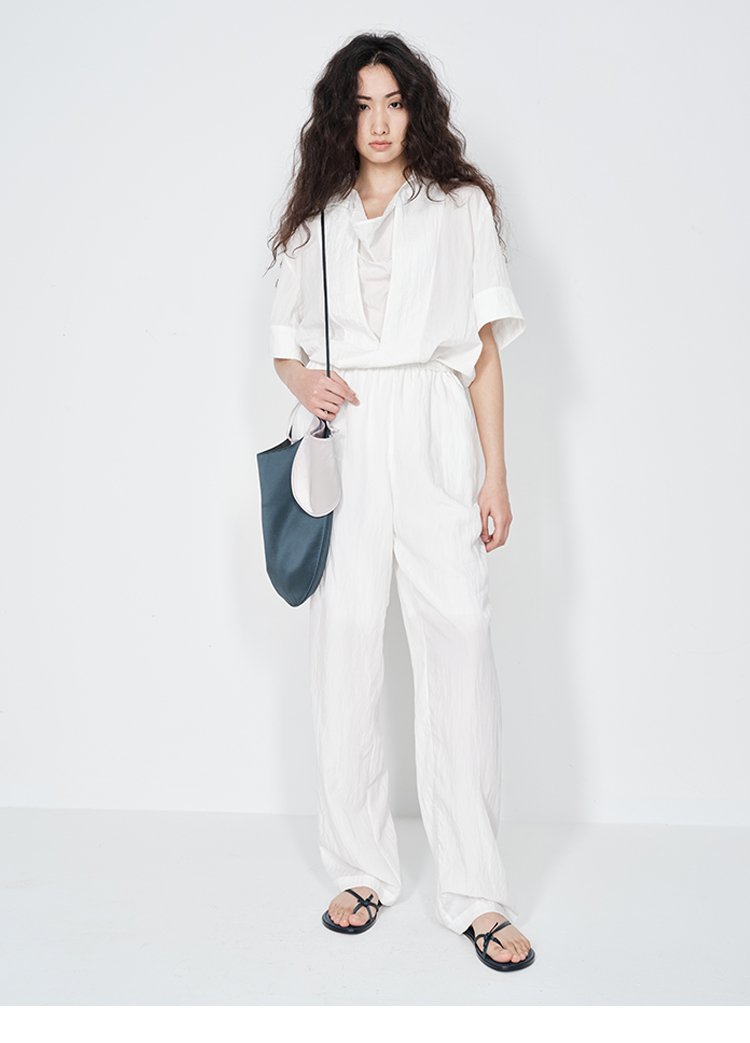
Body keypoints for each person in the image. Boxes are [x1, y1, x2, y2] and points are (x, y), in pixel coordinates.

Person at [266, 32, 535, 971]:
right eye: (362, 105)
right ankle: (361, 867)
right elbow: (286, 344)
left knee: (458, 633)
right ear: (341, 118)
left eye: (394, 102)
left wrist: (495, 471)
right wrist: (303, 383)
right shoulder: (318, 220)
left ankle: (477, 890)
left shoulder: (459, 207)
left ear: (415, 109)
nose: (379, 122)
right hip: (344, 432)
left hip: (431, 421)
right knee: (344, 643)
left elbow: (483, 349)